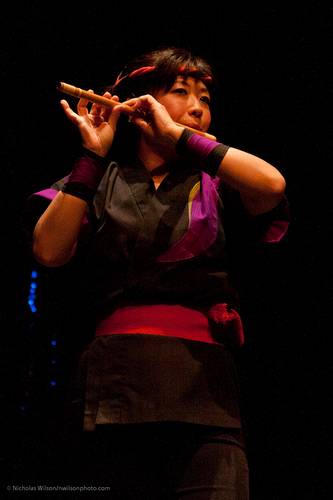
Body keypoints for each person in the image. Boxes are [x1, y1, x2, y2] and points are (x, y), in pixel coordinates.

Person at [26, 46, 289, 499]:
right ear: (140, 102)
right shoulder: (103, 180)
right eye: (182, 92)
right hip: (114, 388)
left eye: (205, 99)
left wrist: (178, 136)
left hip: (206, 392)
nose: (197, 107)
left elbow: (273, 184)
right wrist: (91, 156)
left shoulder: (219, 181)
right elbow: (48, 251)